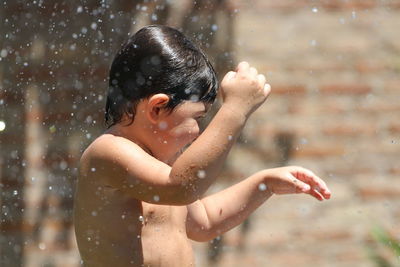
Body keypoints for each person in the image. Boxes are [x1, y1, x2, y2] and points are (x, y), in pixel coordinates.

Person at [73, 25, 331, 267]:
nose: (198, 132)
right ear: (157, 108)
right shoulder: (108, 153)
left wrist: (264, 183)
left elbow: (204, 222)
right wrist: (235, 110)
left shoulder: (166, 163)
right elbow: (181, 187)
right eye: (196, 118)